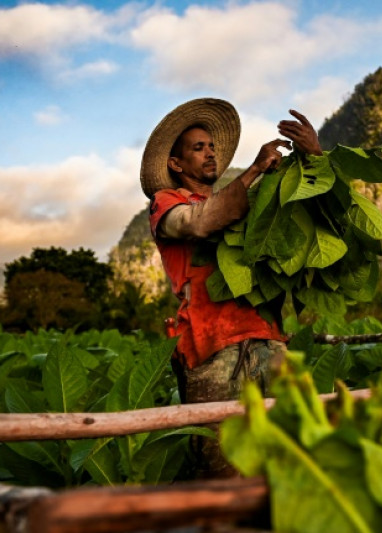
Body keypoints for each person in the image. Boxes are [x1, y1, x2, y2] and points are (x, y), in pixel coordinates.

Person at [140, 98, 322, 477]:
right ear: (176, 164)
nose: (210, 153)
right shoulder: (166, 203)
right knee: (223, 468)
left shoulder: (248, 201)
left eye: (211, 146)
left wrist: (314, 158)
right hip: (211, 348)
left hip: (269, 339)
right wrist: (255, 168)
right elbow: (199, 224)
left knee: (296, 455)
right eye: (198, 148)